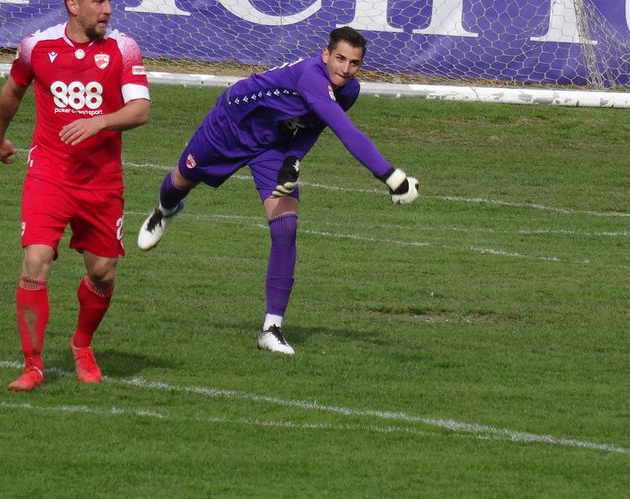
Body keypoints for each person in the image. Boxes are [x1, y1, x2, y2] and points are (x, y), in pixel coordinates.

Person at [137, 26, 420, 355]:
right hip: (231, 125)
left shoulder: (349, 90)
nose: (345, 68)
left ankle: (271, 329)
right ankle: (165, 210)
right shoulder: (312, 77)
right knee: (182, 179)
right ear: (325, 55)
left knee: (286, 226)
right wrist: (392, 176)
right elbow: (346, 131)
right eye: (339, 58)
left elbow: (317, 123)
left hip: (274, 144)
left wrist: (294, 157)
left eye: (354, 63)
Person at [0, 0, 151, 391]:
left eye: (110, 1)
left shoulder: (124, 49)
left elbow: (140, 111)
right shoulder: (36, 47)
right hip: (50, 174)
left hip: (101, 181)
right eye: (99, 2)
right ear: (73, 5)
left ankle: (82, 344)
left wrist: (98, 122)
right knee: (35, 262)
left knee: (103, 273)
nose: (108, 10)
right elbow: (13, 90)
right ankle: (32, 365)